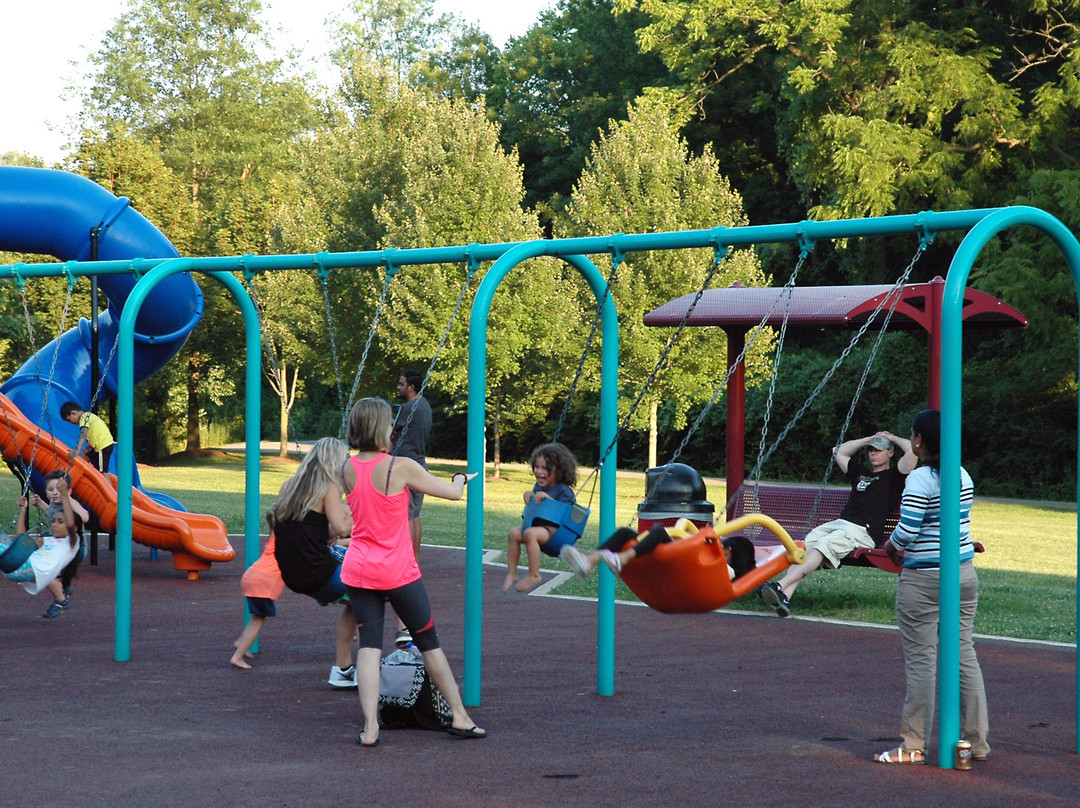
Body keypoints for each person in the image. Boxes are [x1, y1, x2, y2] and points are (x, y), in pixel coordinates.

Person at [340, 397, 485, 747]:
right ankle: (460, 716)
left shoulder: (345, 468)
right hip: (397, 570)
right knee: (428, 642)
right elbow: (451, 493)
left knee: (369, 647)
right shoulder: (399, 466)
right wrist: (461, 478)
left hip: (359, 568)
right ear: (382, 428)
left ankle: (371, 726)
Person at [874, 409, 989, 765]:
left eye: (912, 435)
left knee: (922, 660)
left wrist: (889, 549)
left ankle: (913, 744)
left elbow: (907, 531)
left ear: (919, 441)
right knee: (963, 654)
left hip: (924, 578)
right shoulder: (962, 475)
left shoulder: (920, 480)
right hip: (963, 572)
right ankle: (976, 743)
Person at [758, 431, 917, 617]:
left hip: (862, 532)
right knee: (804, 547)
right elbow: (838, 451)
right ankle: (784, 596)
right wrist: (869, 438)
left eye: (879, 450)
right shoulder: (860, 473)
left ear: (890, 453)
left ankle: (779, 585)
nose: (874, 453)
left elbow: (913, 451)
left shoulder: (895, 477)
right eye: (871, 450)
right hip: (839, 524)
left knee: (823, 545)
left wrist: (891, 438)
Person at [272, 437, 359, 689]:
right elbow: (343, 528)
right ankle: (368, 667)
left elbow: (314, 531)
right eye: (345, 459)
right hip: (320, 574)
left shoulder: (289, 486)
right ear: (335, 461)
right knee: (372, 590)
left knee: (356, 601)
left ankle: (344, 671)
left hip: (292, 573)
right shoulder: (328, 487)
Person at [389, 368, 432, 646]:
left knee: (406, 514)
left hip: (404, 464)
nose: (399, 386)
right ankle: (414, 557)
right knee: (415, 514)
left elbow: (390, 433)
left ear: (412, 387)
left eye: (402, 384)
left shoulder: (408, 407)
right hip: (421, 463)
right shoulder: (426, 405)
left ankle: (406, 555)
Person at [562, 522, 756, 581]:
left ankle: (622, 559)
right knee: (626, 533)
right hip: (677, 564)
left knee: (660, 532)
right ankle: (589, 562)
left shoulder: (724, 569)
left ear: (728, 549)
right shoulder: (725, 570)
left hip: (675, 569)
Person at [503, 442, 578, 593]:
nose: (539, 471)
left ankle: (534, 575)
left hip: (556, 531)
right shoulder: (538, 486)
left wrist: (549, 499)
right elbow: (535, 504)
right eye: (537, 467)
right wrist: (529, 495)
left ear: (559, 470)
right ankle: (512, 573)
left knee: (530, 534)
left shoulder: (564, 490)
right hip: (537, 525)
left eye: (545, 468)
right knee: (514, 533)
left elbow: (567, 511)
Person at [1, 479, 80, 618]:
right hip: (16, 565)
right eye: (54, 521)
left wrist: (64, 494)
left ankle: (61, 600)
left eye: (60, 522)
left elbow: (70, 522)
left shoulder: (71, 543)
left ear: (74, 528)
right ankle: (61, 600)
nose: (54, 525)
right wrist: (23, 510)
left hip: (24, 568)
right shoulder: (47, 540)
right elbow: (21, 541)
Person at [230, 511, 287, 670]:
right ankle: (238, 656)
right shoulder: (286, 540)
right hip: (262, 581)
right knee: (258, 619)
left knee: (261, 615)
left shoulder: (274, 537)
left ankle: (242, 642)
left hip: (252, 576)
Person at [31, 469, 90, 598]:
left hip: (74, 547)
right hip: (58, 545)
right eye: (51, 490)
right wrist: (40, 504)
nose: (56, 493)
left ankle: (61, 593)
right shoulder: (53, 504)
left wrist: (66, 498)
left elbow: (85, 517)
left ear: (69, 492)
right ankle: (63, 588)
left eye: (59, 490)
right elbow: (50, 514)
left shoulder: (70, 504)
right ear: (46, 492)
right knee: (38, 544)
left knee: (47, 568)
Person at [60, 401, 116, 473]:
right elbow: (95, 435)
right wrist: (87, 448)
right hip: (100, 445)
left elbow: (83, 434)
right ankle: (75, 473)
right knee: (85, 457)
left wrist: (76, 450)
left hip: (102, 446)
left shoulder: (84, 418)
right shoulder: (89, 416)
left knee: (102, 472)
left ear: (73, 413)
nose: (71, 422)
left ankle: (106, 484)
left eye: (69, 420)